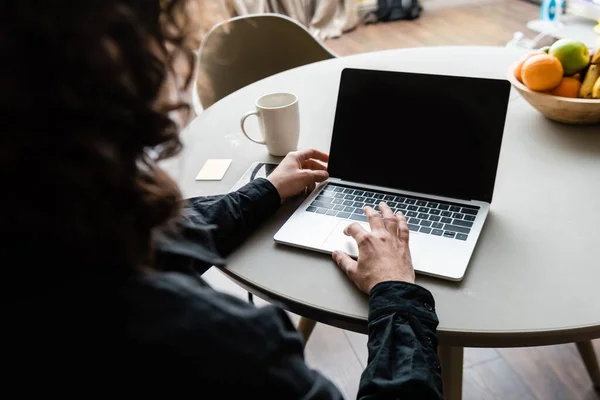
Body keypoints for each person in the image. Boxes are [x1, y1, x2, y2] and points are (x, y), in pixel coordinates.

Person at [1, 1, 443, 398]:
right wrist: (396, 293)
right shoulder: (225, 350)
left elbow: (161, 240)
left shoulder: (45, 227)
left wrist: (266, 190)